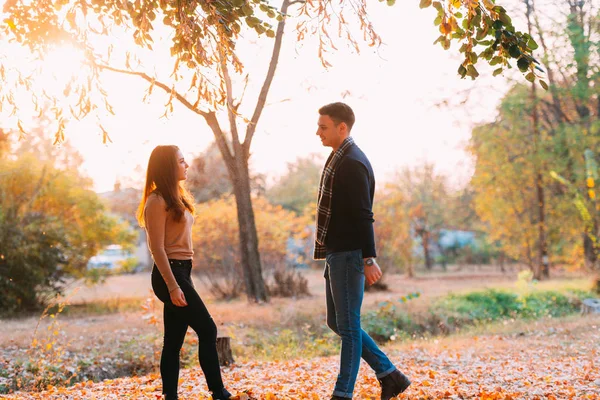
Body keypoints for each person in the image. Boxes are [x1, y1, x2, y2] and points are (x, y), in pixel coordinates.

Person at [314, 103, 411, 400]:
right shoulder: (338, 159)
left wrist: (369, 258)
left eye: (324, 126)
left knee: (349, 326)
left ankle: (342, 394)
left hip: (349, 254)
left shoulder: (352, 163)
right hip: (337, 253)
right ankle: (390, 375)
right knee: (338, 322)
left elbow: (363, 215)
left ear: (342, 127)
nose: (317, 132)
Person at [137, 145, 232, 400]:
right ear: (169, 167)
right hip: (170, 274)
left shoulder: (176, 197)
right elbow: (156, 248)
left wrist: (180, 280)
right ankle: (218, 392)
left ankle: (170, 396)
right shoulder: (156, 201)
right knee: (208, 330)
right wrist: (172, 286)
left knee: (173, 341)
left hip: (182, 272)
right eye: (181, 161)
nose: (186, 165)